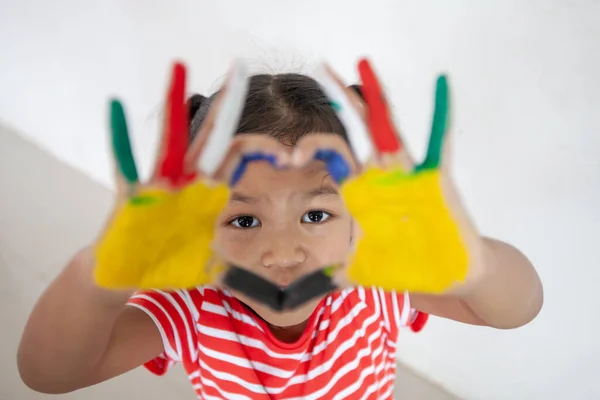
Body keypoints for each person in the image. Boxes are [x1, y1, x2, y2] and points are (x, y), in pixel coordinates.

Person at [17, 60, 543, 399]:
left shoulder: (376, 282)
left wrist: (472, 263)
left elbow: (515, 310)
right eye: (244, 219)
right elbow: (50, 375)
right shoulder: (194, 306)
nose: (283, 253)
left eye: (316, 215)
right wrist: (97, 278)